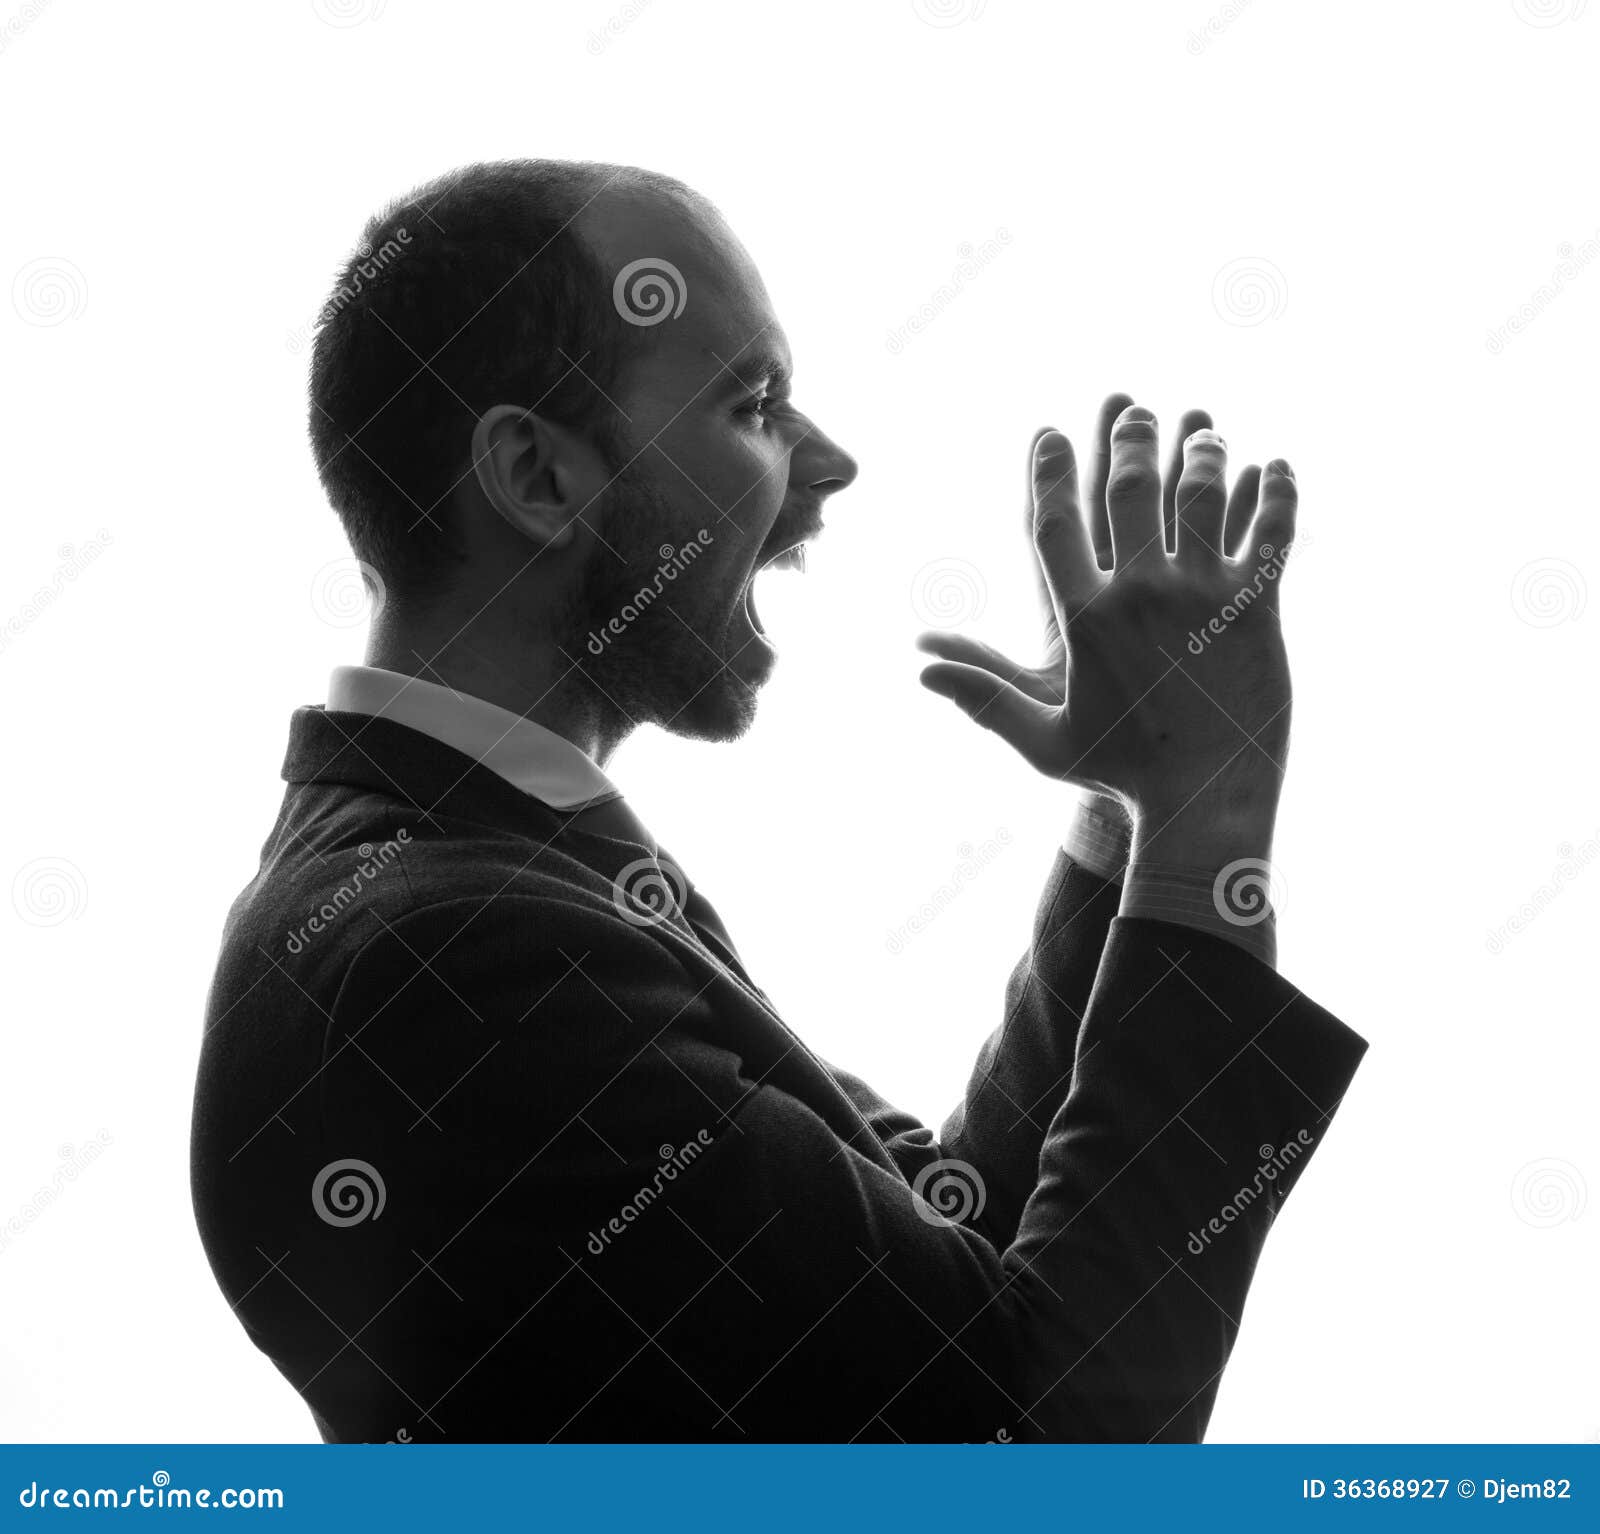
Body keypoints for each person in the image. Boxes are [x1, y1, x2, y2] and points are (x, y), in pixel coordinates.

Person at [190, 159, 1365, 1443]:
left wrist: (1124, 811)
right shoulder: (449, 963)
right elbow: (1040, 1452)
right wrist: (1208, 819)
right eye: (754, 404)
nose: (830, 462)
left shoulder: (485, 876)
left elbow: (951, 1244)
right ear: (534, 475)